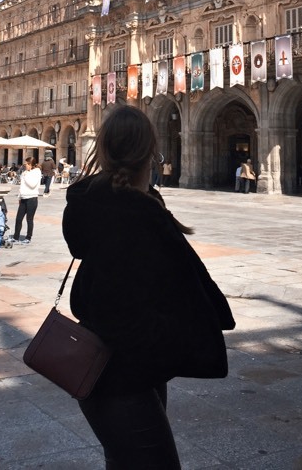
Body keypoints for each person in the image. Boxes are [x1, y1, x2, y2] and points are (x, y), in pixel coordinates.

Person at [63, 106, 235, 469]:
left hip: (114, 371)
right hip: (122, 377)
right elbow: (122, 310)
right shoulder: (135, 215)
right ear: (149, 153)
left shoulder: (101, 203)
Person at [13, 156, 41, 244]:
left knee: (29, 219)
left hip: (32, 198)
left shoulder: (37, 172)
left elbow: (32, 184)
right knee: (18, 219)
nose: (25, 166)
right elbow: (22, 185)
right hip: (23, 198)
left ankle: (28, 237)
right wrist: (19, 197)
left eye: (27, 164)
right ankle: (15, 237)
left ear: (31, 164)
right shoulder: (25, 172)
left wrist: (25, 176)